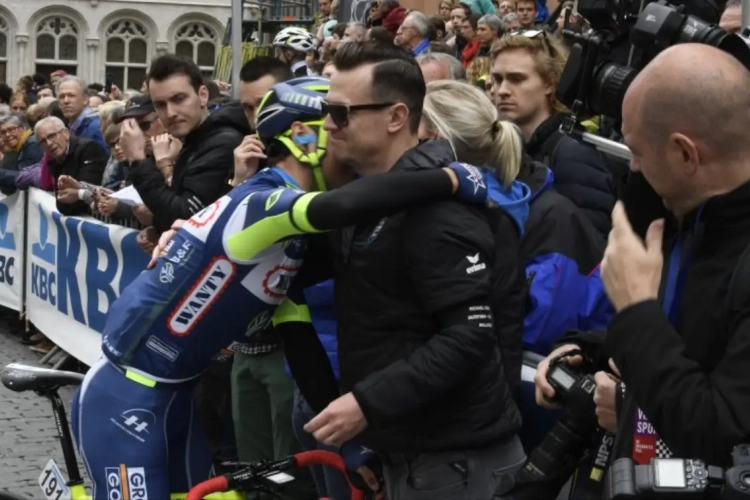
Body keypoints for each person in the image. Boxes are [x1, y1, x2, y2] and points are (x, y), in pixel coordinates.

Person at [71, 75, 492, 500]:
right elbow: (342, 206)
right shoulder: (262, 202)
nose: (347, 147)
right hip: (123, 397)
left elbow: (300, 342)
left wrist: (350, 448)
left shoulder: (291, 238)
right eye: (334, 131)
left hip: (176, 396)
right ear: (303, 137)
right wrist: (450, 179)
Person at [304, 41, 527, 500]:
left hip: (457, 460)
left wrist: (367, 404)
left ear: (396, 117)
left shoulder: (438, 209)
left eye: (342, 113)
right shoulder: (373, 197)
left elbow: (470, 336)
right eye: (327, 110)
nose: (328, 125)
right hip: (411, 452)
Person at [535, 44, 750, 475]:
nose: (632, 167)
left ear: (686, 154)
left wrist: (635, 312)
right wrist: (588, 351)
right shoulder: (689, 217)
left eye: (636, 151)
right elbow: (684, 341)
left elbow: (726, 436)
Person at [125, 54, 250, 234]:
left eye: (179, 99)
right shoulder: (195, 140)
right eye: (160, 105)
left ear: (203, 95)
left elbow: (187, 218)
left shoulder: (224, 143)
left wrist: (138, 161)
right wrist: (158, 228)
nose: (170, 113)